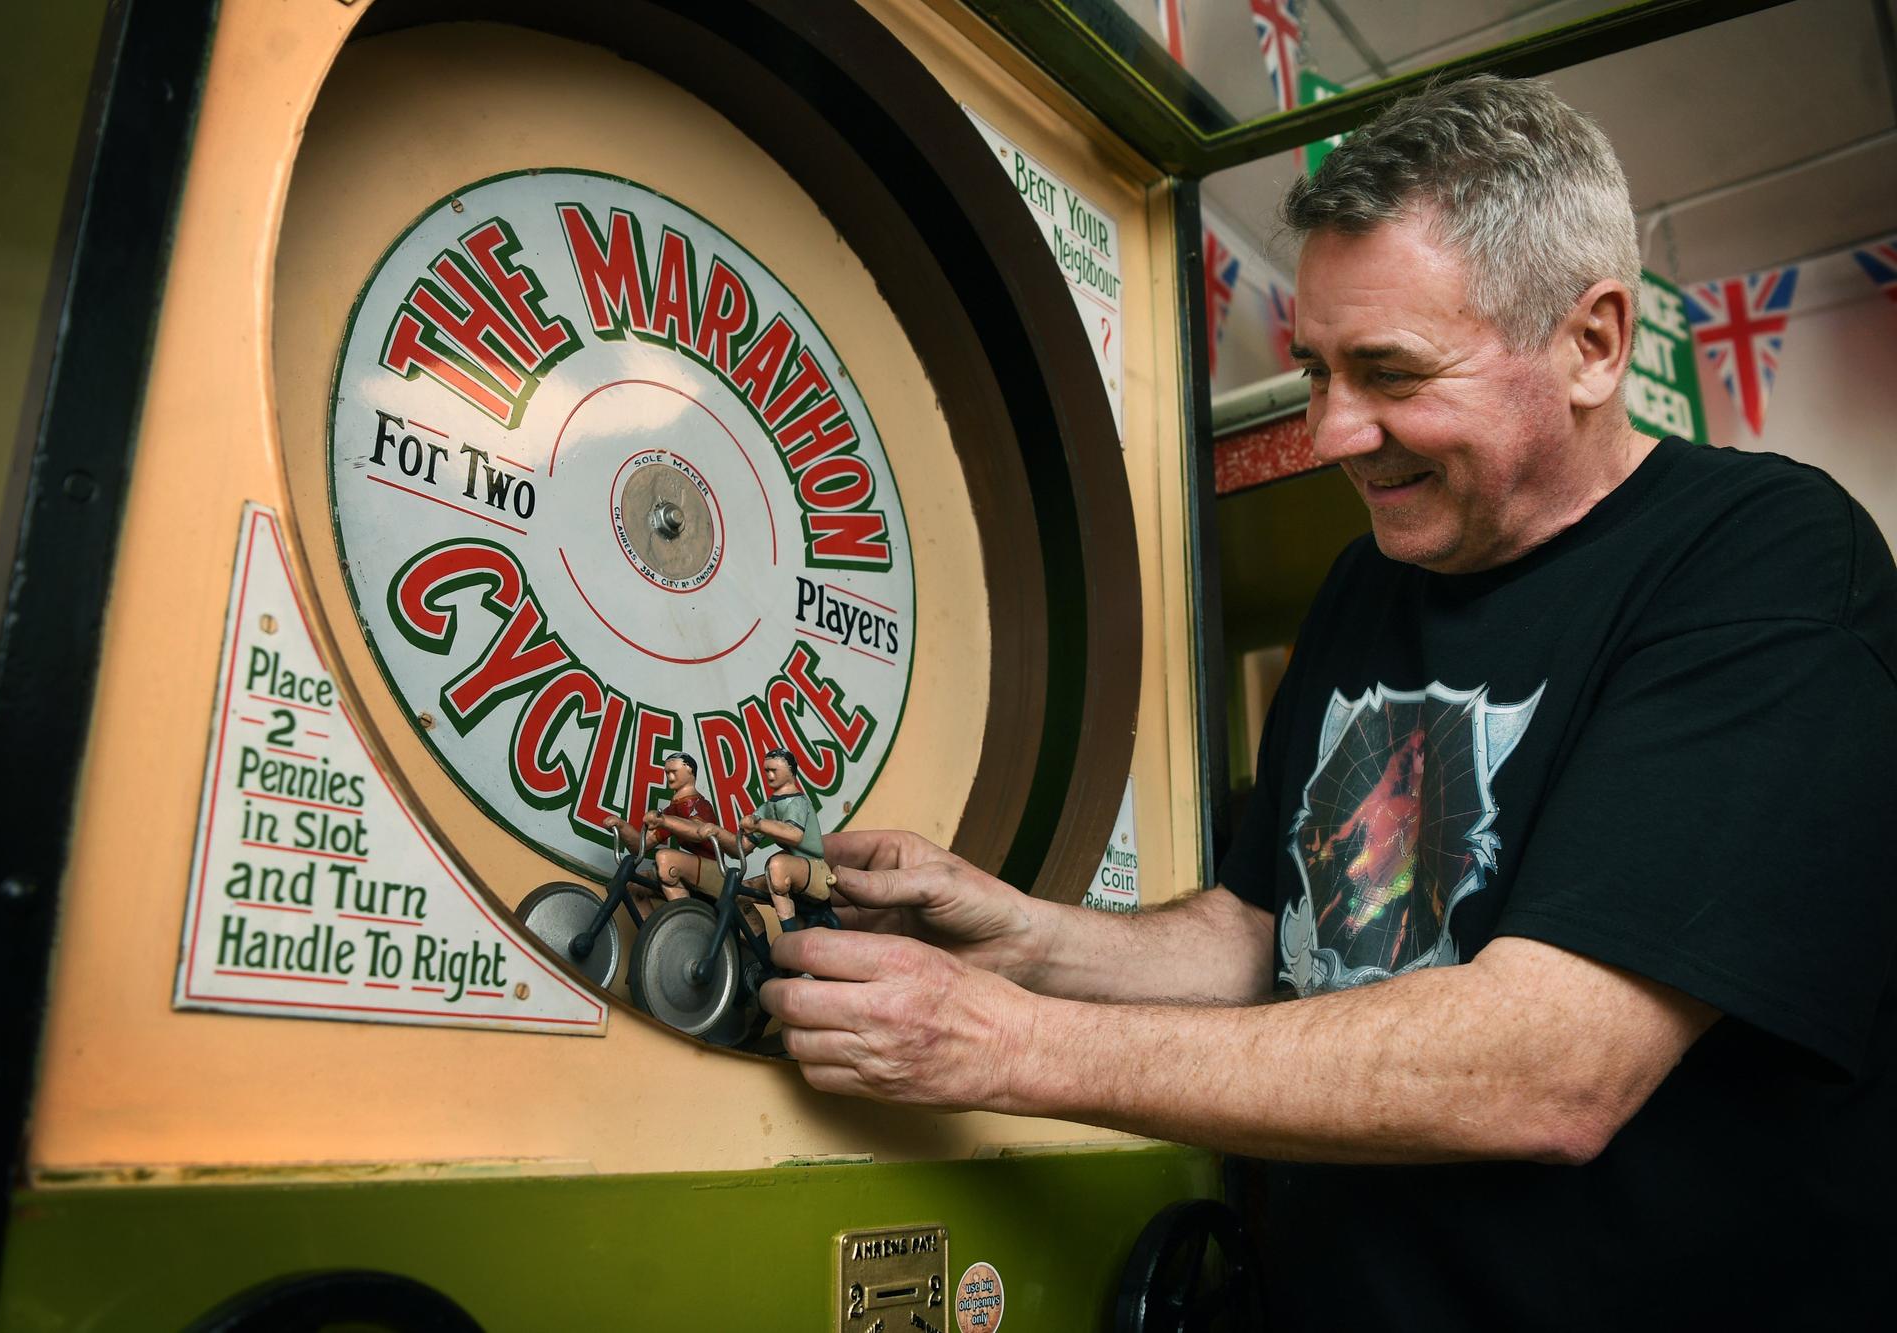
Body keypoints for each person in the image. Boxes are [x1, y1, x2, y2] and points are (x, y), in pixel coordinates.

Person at [758, 75, 1896, 1327]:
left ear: (1591, 342)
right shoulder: (1376, 575)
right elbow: (1267, 937)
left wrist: (1003, 1043)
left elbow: (1551, 1068)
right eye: (1314, 371)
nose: (1332, 433)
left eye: (1390, 373)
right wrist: (1022, 935)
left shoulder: (1764, 560)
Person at [603, 753, 723, 908]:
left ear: (690, 770)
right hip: (690, 870)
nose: (670, 777)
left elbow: (699, 832)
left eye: (674, 772)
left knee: (666, 859)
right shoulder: (672, 810)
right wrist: (621, 826)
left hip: (714, 871)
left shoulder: (698, 804)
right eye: (667, 773)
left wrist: (664, 821)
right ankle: (656, 931)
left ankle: (685, 923)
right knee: (630, 886)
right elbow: (641, 847)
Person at [738, 747, 836, 932]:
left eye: (774, 770)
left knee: (776, 864)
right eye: (767, 770)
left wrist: (759, 824)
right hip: (792, 869)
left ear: (791, 771)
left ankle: (790, 938)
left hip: (815, 868)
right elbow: (741, 848)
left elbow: (794, 834)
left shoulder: (797, 801)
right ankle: (763, 955)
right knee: (741, 892)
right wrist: (715, 833)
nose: (769, 775)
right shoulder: (770, 806)